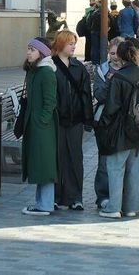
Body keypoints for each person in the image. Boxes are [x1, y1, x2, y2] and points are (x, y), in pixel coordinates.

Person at [96, 38, 139, 219]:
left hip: (120, 130)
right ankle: (132, 207)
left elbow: (112, 107)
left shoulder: (119, 77)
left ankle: (113, 207)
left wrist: (102, 124)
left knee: (115, 168)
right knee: (135, 169)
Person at [50, 30, 91, 211]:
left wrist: (87, 118)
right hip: (57, 120)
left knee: (75, 158)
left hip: (75, 120)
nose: (74, 46)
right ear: (60, 45)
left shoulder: (78, 67)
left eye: (74, 43)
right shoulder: (50, 66)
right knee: (57, 158)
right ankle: (56, 196)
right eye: (70, 44)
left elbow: (85, 95)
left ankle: (75, 197)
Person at [21, 37, 58, 217]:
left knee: (45, 165)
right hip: (36, 125)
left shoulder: (46, 73)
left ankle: (45, 204)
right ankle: (41, 202)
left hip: (43, 127)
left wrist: (41, 121)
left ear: (41, 53)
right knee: (39, 164)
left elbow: (50, 101)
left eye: (32, 49)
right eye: (28, 49)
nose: (28, 52)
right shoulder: (35, 71)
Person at [92, 37, 125, 208]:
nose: (115, 57)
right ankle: (103, 196)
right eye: (112, 53)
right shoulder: (102, 70)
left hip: (125, 120)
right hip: (105, 120)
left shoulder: (130, 69)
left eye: (118, 53)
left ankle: (122, 195)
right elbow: (100, 95)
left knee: (123, 159)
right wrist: (111, 80)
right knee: (104, 159)